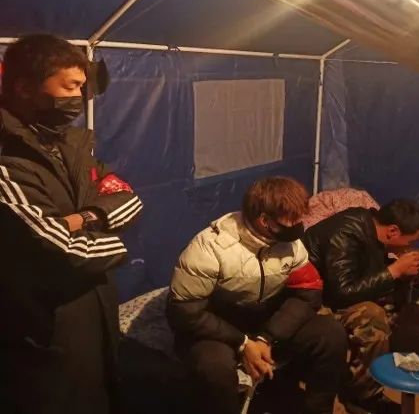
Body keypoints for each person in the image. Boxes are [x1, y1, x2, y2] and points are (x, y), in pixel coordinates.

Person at [0, 34, 143, 414]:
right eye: (70, 86)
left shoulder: (71, 145)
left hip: (95, 310)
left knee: (102, 392)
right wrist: (118, 242)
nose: (80, 97)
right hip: (45, 327)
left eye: (82, 86)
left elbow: (128, 198)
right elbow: (64, 250)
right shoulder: (7, 159)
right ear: (24, 87)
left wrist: (85, 217)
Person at [167, 176, 348, 414]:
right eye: (293, 219)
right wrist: (243, 344)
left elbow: (309, 294)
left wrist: (266, 338)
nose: (299, 225)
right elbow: (185, 314)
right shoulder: (209, 249)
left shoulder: (291, 245)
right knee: (214, 369)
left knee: (331, 334)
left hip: (264, 322)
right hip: (216, 327)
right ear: (264, 221)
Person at [303, 198, 419, 414]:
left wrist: (402, 272)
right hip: (312, 299)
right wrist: (394, 271)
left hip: (334, 293)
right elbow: (340, 293)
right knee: (372, 319)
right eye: (410, 242)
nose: (410, 247)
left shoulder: (372, 230)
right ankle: (363, 396)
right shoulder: (345, 234)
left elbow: (361, 273)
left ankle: (362, 383)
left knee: (390, 308)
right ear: (393, 231)